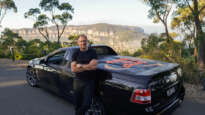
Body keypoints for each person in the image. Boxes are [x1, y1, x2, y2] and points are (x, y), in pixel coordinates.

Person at [71, 34, 98, 115]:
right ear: (78, 43)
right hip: (78, 81)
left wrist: (81, 65)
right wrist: (88, 66)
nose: (83, 43)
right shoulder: (75, 53)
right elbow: (73, 69)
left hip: (89, 82)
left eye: (84, 41)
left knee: (86, 104)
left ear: (87, 42)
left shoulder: (93, 52)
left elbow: (94, 67)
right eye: (81, 41)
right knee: (77, 104)